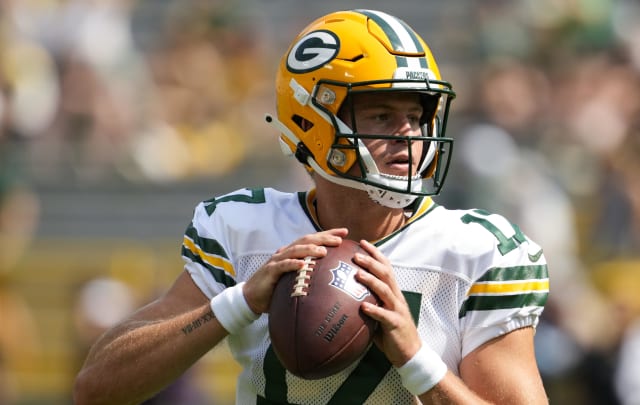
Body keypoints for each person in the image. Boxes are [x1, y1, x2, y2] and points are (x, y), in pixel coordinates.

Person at [74, 9, 549, 404]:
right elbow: (97, 388)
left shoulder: (478, 251)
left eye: (418, 116)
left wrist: (415, 359)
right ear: (313, 123)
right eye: (383, 114)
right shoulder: (245, 230)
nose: (409, 135)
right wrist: (238, 303)